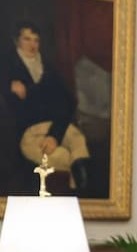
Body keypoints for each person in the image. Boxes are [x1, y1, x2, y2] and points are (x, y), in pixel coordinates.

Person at [5, 21, 91, 191]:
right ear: (17, 41)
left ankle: (84, 188)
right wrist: (6, 85)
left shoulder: (49, 69)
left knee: (78, 141)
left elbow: (69, 102)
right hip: (30, 133)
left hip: (56, 127)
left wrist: (54, 136)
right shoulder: (7, 66)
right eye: (27, 39)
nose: (32, 45)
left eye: (36, 40)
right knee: (63, 157)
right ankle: (80, 193)